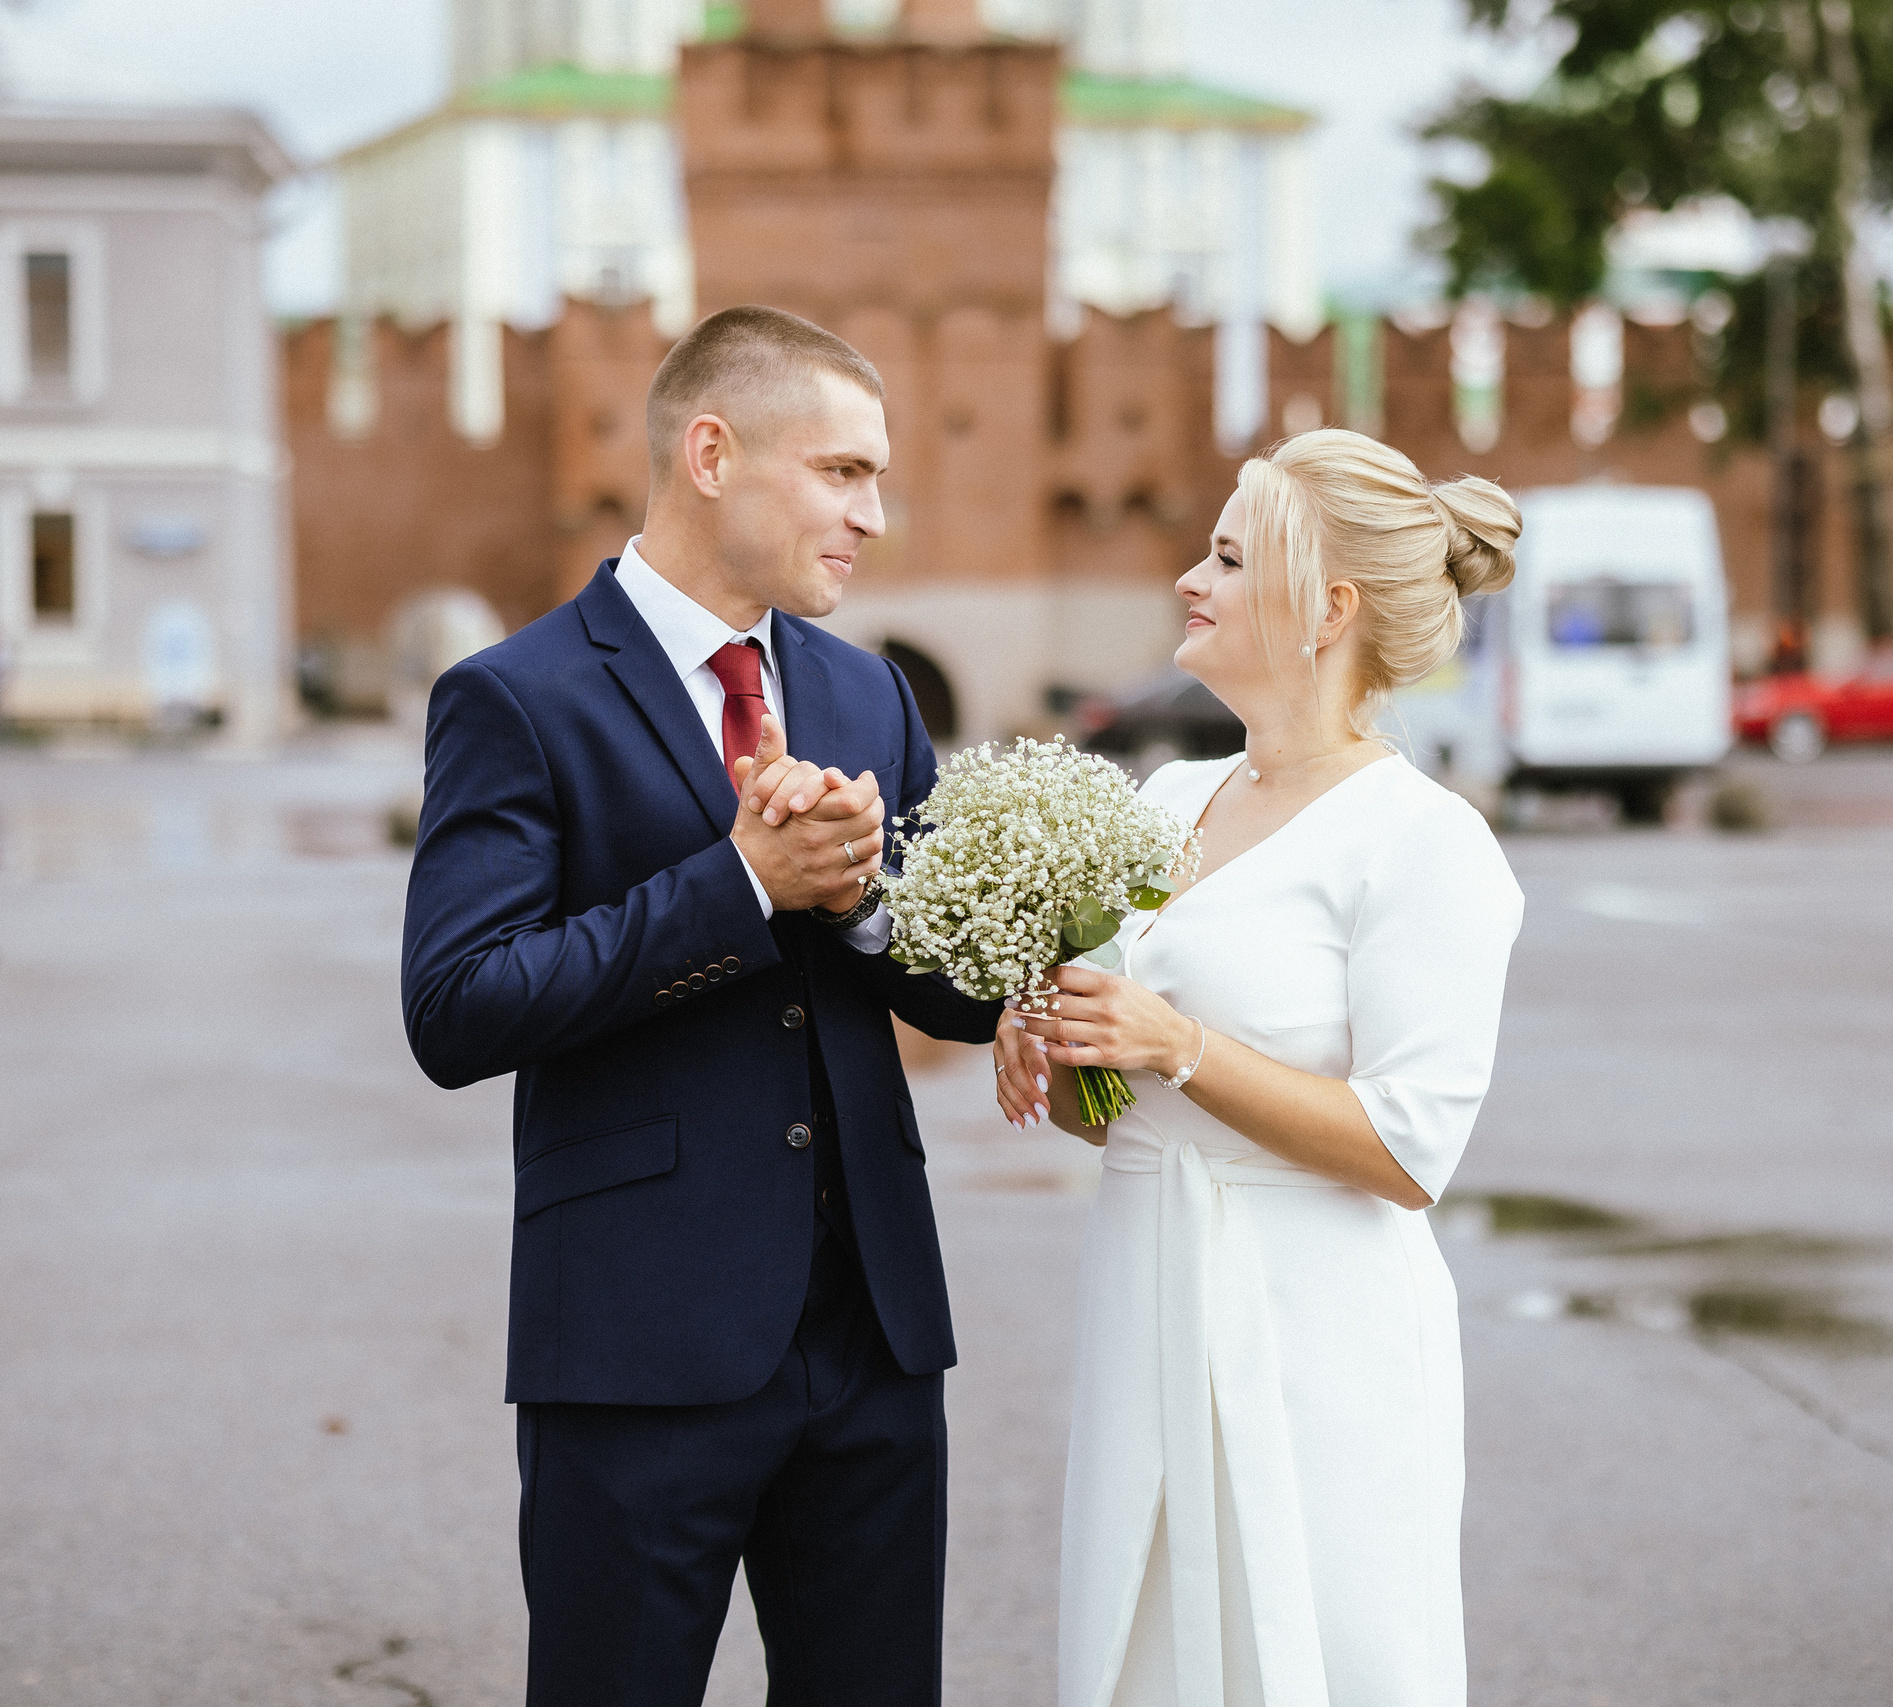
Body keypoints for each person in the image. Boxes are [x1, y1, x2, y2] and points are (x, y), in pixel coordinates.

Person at [400, 305, 1005, 1707]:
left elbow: (965, 997)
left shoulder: (870, 693)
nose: (873, 514)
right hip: (635, 1347)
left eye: (877, 478)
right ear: (713, 453)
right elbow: (458, 1005)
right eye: (842, 472)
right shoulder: (517, 697)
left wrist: (856, 900)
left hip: (873, 1342)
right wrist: (737, 885)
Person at [993, 429, 1526, 1707]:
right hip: (1146, 1289)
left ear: (1327, 611)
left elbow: (1409, 1152)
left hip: (1316, 1335)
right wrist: (1060, 1043)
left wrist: (1179, 1043)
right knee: (1143, 1656)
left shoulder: (1422, 842)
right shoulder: (1166, 800)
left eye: (1230, 560)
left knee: (1318, 1657)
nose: (1191, 578)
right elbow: (1116, 1111)